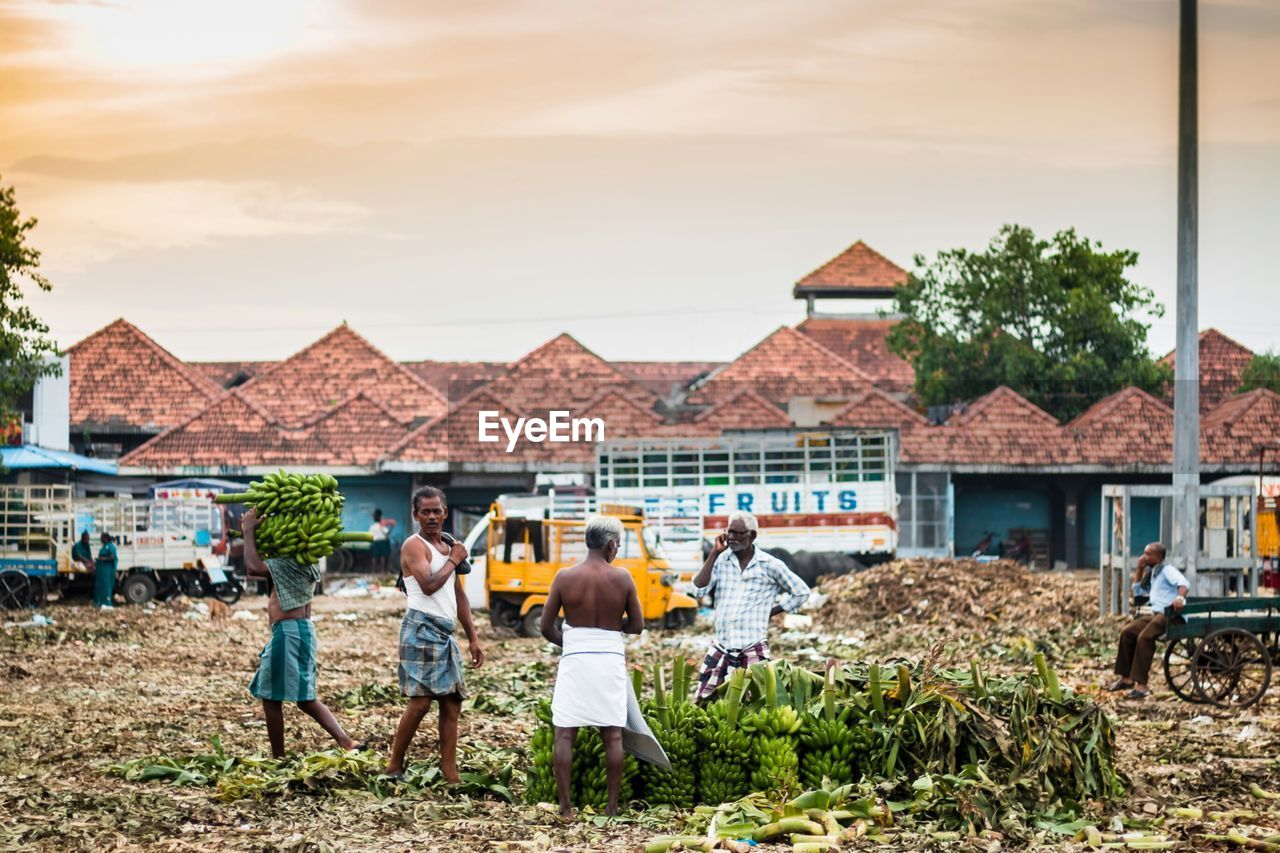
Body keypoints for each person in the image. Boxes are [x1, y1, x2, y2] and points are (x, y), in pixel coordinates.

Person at [540, 515, 644, 818]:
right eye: (619, 545)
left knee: (564, 734)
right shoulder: (622, 578)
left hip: (576, 660)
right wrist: (611, 630)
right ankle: (611, 808)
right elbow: (637, 625)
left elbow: (546, 627)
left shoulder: (564, 577)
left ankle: (565, 808)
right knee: (612, 735)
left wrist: (575, 642)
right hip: (609, 657)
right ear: (611, 544)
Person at [241, 508, 361, 758]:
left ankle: (279, 757)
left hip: (288, 633)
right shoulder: (306, 563)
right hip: (301, 631)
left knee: (271, 697)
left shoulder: (287, 563)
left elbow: (252, 567)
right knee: (305, 699)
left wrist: (248, 531)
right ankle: (347, 742)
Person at [386, 487, 484, 782]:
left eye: (436, 510)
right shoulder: (413, 546)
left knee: (452, 701)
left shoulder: (447, 546)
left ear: (445, 512)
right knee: (420, 702)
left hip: (445, 630)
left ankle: (449, 771)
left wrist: (473, 637)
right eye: (425, 511)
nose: (431, 516)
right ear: (416, 515)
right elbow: (428, 585)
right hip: (420, 627)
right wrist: (454, 559)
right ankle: (394, 765)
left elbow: (459, 596)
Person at [691, 510, 810, 703]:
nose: (732, 537)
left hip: (752, 647)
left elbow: (801, 592)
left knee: (758, 703)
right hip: (721, 646)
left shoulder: (770, 565)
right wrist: (713, 554)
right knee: (704, 700)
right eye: (729, 532)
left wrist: (772, 611)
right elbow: (698, 591)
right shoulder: (721, 560)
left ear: (752, 536)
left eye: (738, 533)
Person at [1107, 542, 1189, 700]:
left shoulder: (1167, 570)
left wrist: (1179, 598)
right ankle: (1126, 678)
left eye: (1148, 554)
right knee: (1127, 632)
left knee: (1144, 638)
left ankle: (1142, 686)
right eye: (1144, 553)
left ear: (1158, 557)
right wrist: (1139, 569)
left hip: (1171, 615)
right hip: (1156, 613)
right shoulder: (1153, 573)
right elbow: (1138, 591)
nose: (1144, 557)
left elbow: (1184, 584)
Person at [94, 532, 118, 609]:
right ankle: (100, 602)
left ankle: (107, 602)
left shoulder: (110, 546)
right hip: (101, 570)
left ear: (105, 538)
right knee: (101, 586)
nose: (100, 539)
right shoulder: (104, 546)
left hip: (107, 570)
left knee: (106, 586)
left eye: (101, 538)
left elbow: (112, 557)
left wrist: (101, 559)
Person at [369, 509, 391, 574]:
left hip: (375, 542)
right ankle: (382, 571)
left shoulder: (372, 526)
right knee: (382, 557)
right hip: (382, 542)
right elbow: (387, 532)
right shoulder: (382, 526)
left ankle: (373, 571)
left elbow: (370, 534)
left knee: (374, 557)